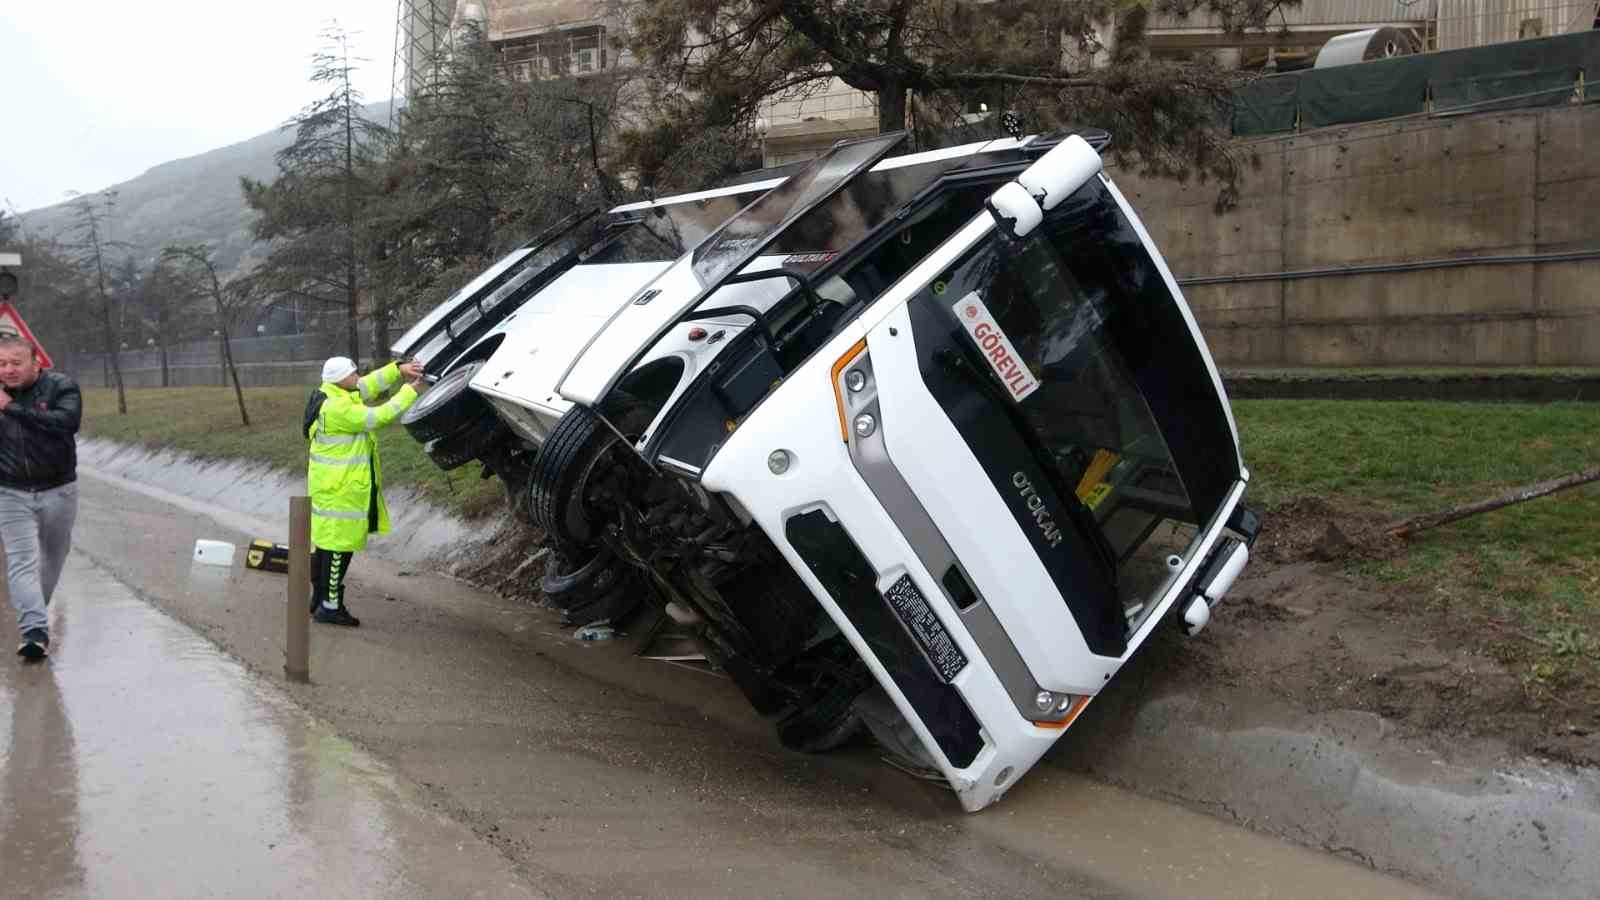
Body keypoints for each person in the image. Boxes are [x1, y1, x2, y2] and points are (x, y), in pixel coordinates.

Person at [304, 356, 424, 627]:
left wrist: (397, 370)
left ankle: (321, 598)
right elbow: (378, 416)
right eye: (352, 373)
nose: (357, 376)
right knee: (338, 548)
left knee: (326, 545)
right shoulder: (336, 408)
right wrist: (410, 391)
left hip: (332, 485)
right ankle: (329, 607)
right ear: (340, 379)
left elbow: (368, 384)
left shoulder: (332, 393)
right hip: (341, 488)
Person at [0, 334, 80, 660]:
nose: (8, 370)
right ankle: (34, 630)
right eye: (1, 364)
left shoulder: (61, 387)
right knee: (21, 561)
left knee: (53, 556)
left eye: (16, 363)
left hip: (59, 489)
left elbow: (66, 423)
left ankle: (34, 615)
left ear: (36, 362)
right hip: (10, 491)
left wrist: (13, 409)